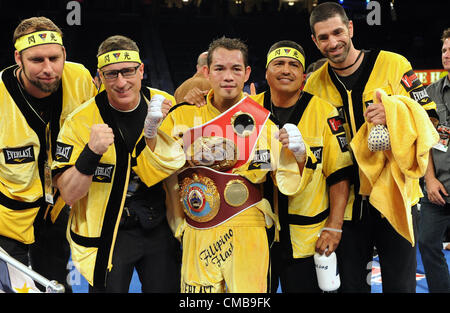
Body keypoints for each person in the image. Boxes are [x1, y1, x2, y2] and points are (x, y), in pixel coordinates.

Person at [304, 2, 439, 293]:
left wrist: (395, 118)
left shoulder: (394, 64)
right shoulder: (313, 84)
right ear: (315, 41)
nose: (333, 42)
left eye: (338, 32)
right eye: (324, 37)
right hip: (347, 204)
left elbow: (430, 120)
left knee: (400, 287)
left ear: (350, 28)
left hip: (397, 197)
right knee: (352, 287)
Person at [160, 36, 313, 293]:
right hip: (197, 226)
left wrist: (299, 154)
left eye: (236, 69)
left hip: (248, 228)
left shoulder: (264, 122)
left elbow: (288, 182)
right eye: (220, 69)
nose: (228, 77)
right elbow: (157, 170)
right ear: (206, 72)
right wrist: (152, 132)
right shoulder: (183, 114)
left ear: (247, 73)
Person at [52, 35, 186, 292]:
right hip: (108, 232)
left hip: (158, 225)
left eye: (128, 71)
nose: (121, 82)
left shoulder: (167, 106)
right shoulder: (79, 121)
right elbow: (68, 194)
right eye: (111, 74)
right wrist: (90, 153)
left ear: (141, 70)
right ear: (100, 76)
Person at [0, 17, 97, 292]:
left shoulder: (79, 78)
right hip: (7, 219)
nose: (48, 69)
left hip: (58, 212)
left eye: (54, 58)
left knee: (55, 285)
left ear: (64, 53)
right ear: (18, 58)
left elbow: (121, 100)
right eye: (37, 60)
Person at [252, 40, 353, 293]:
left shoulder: (325, 113)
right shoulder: (247, 111)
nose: (286, 69)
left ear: (303, 76)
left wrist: (334, 226)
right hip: (254, 238)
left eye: (293, 65)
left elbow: (339, 174)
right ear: (266, 72)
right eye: (279, 63)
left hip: (307, 238)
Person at [418, 27, 450, 293]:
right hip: (437, 187)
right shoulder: (430, 92)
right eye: (444, 50)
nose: (447, 54)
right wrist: (428, 179)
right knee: (427, 242)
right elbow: (424, 141)